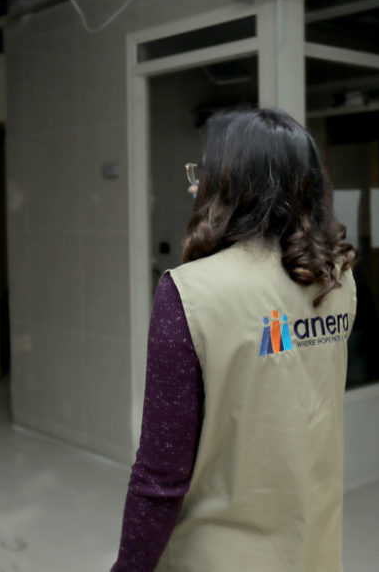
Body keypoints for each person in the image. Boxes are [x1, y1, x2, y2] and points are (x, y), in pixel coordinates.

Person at [112, 107, 357, 571]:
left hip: (221, 555)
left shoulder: (190, 292)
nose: (194, 186)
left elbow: (161, 475)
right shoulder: (337, 279)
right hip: (314, 546)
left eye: (205, 173)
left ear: (234, 185)